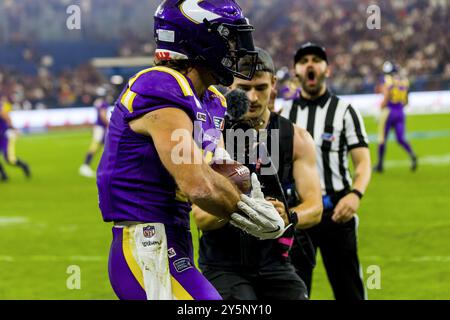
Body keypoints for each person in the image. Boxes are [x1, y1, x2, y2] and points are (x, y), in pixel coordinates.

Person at [96, 0, 287, 300]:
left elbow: (221, 169)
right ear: (200, 39)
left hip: (175, 240)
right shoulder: (160, 85)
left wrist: (254, 195)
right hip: (146, 246)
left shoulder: (212, 101)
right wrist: (247, 212)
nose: (236, 50)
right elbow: (197, 184)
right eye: (229, 39)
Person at [193, 47, 323, 300]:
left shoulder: (295, 137)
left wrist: (288, 216)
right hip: (222, 266)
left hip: (276, 265)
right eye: (244, 88)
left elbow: (315, 207)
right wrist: (244, 207)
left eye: (261, 88)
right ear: (230, 85)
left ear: (274, 84)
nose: (252, 97)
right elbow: (201, 219)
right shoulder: (211, 136)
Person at [281, 42, 372, 300]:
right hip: (299, 214)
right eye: (304, 60)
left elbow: (363, 162)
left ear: (327, 70)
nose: (310, 64)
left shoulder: (345, 112)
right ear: (296, 71)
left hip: (337, 213)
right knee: (294, 290)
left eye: (316, 59)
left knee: (348, 288)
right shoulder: (285, 114)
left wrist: (355, 194)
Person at [373, 61, 417, 173]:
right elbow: (406, 101)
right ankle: (412, 154)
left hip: (389, 111)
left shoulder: (387, 79)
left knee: (382, 138)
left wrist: (381, 106)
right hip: (400, 112)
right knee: (400, 138)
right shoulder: (404, 81)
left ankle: (380, 165)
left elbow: (386, 95)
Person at [79, 89, 110, 178]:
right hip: (101, 128)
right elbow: (102, 115)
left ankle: (104, 167)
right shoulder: (103, 103)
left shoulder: (97, 102)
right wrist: (109, 124)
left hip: (98, 127)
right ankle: (85, 166)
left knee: (104, 147)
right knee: (96, 146)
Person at [0, 96, 31, 180]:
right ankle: (4, 175)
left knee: (9, 159)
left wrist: (12, 128)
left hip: (3, 136)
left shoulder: (1, 109)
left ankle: (24, 165)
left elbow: (7, 117)